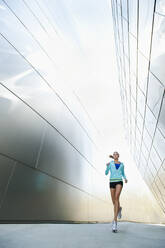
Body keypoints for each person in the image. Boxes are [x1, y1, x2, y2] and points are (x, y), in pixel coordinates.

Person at [105, 151, 128, 232]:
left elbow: (123, 173)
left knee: (116, 198)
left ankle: (115, 223)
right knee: (114, 202)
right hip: (112, 182)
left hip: (119, 182)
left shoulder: (122, 164)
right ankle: (119, 209)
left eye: (116, 153)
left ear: (118, 155)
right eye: (114, 154)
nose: (115, 154)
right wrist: (107, 167)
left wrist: (125, 178)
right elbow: (106, 173)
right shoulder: (110, 163)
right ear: (113, 156)